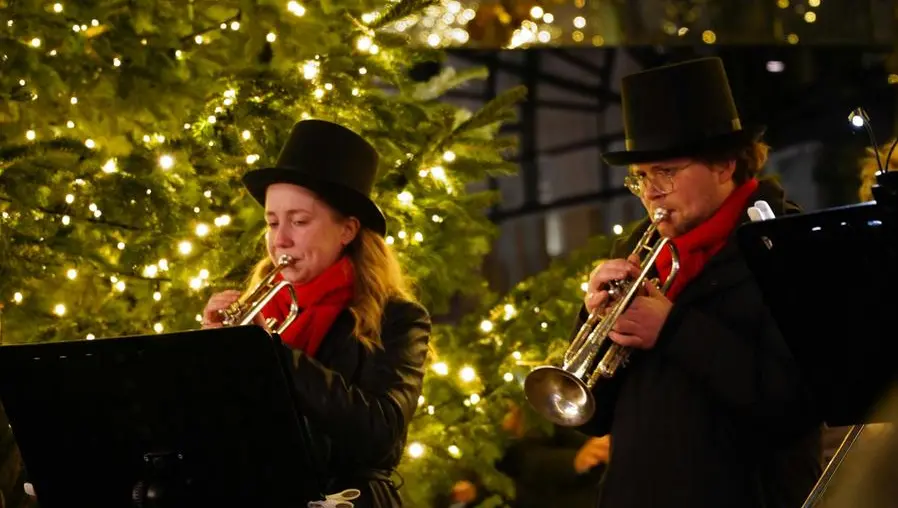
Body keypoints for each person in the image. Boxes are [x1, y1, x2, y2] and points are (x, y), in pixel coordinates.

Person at [573, 57, 823, 508]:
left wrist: (672, 329)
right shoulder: (640, 248)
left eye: (666, 171)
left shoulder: (787, 244)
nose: (651, 192)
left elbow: (796, 405)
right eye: (641, 176)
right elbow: (593, 418)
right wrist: (594, 319)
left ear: (724, 164)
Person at [201, 119, 431, 508]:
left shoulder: (399, 318)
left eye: (299, 221)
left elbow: (381, 434)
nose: (280, 239)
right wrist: (209, 359)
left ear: (347, 230)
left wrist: (270, 353)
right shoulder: (262, 310)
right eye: (272, 222)